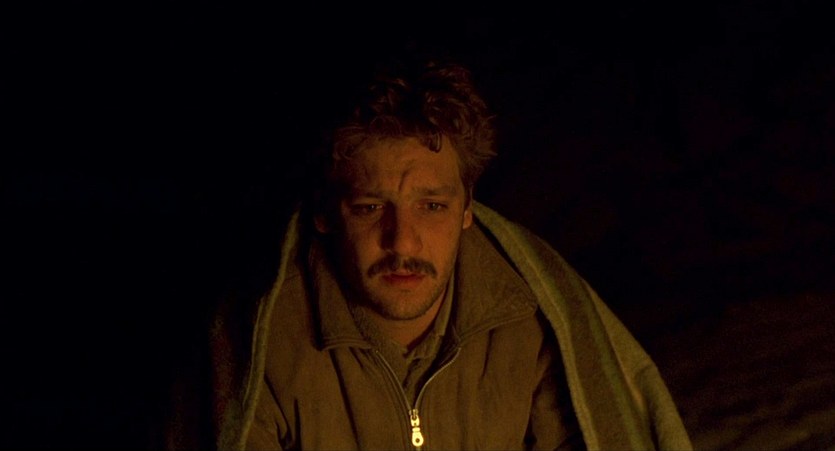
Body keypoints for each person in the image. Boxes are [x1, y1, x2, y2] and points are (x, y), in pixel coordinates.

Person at [199, 57, 692, 450]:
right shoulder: (264, 345)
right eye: (370, 208)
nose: (403, 241)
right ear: (326, 213)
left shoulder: (530, 315)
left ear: (466, 208)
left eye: (431, 206)